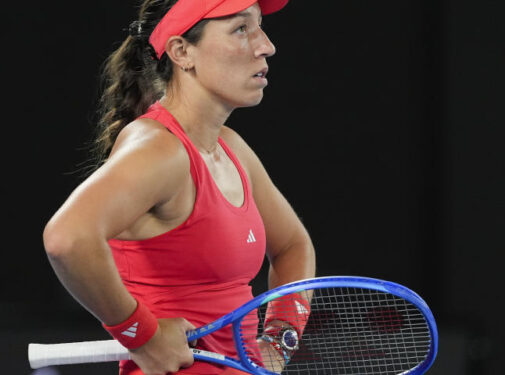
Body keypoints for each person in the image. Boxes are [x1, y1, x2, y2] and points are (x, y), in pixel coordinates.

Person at [42, 0, 316, 374]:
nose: (265, 45)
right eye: (240, 29)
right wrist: (140, 334)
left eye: (259, 26)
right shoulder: (159, 149)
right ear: (182, 51)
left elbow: (292, 247)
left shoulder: (231, 148)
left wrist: (278, 343)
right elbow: (67, 238)